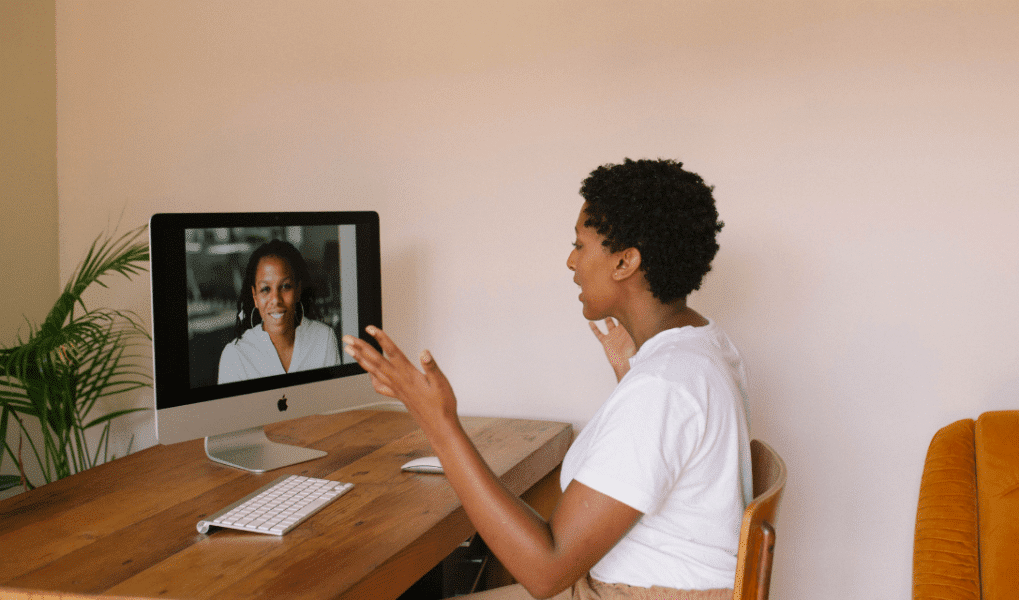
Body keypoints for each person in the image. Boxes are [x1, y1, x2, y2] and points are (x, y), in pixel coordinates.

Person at [342, 159, 751, 600]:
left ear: (625, 261)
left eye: (580, 245)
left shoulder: (664, 385)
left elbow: (545, 570)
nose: (571, 260)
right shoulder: (701, 350)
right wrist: (629, 378)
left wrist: (438, 422)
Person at [218, 239, 340, 384]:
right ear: (255, 297)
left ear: (297, 291)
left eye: (285, 286)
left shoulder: (323, 339)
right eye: (265, 289)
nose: (276, 299)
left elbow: (334, 403)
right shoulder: (235, 356)